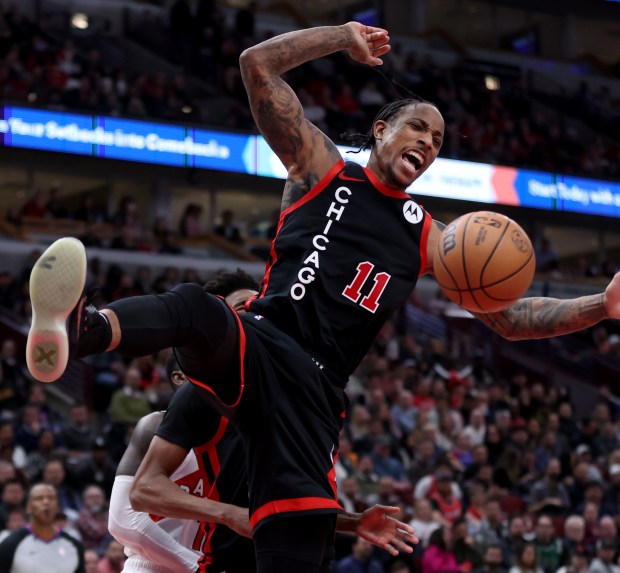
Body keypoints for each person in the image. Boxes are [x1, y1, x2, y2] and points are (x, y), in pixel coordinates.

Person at [25, 20, 620, 573]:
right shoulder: (322, 167)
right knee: (198, 308)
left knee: (298, 530)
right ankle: (85, 330)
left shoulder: (431, 238)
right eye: (419, 126)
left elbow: (512, 320)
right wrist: (341, 37)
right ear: (382, 128)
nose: (429, 142)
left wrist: (602, 306)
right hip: (262, 338)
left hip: (315, 391)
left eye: (438, 139)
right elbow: (256, 65)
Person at [0, 483, 84, 573]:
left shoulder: (74, 546)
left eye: (51, 498)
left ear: (57, 507)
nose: (46, 502)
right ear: (28, 507)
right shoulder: (10, 544)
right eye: (39, 498)